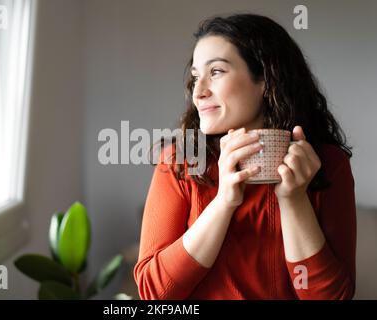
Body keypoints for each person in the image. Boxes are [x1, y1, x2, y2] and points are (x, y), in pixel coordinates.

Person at [133, 14, 356, 300]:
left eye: (216, 72)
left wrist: (293, 200)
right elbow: (155, 294)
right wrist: (223, 202)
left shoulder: (326, 163)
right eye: (196, 77)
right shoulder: (179, 161)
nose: (198, 92)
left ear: (265, 79)